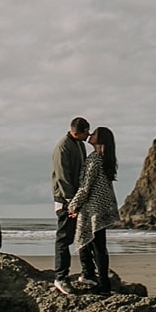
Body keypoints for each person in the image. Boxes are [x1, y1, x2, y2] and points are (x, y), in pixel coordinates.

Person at [67, 125, 119, 295]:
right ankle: (99, 280)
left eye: (94, 133)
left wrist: (72, 205)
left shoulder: (95, 158)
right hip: (102, 207)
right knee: (99, 247)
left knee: (96, 247)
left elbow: (85, 187)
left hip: (93, 208)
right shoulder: (106, 158)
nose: (90, 134)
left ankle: (102, 285)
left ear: (100, 139)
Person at [50, 116, 92, 294]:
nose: (88, 136)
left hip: (78, 199)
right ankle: (60, 277)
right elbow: (62, 178)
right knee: (64, 239)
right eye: (86, 133)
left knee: (84, 237)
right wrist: (71, 203)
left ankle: (87, 274)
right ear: (76, 132)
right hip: (66, 201)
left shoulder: (79, 144)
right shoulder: (63, 147)